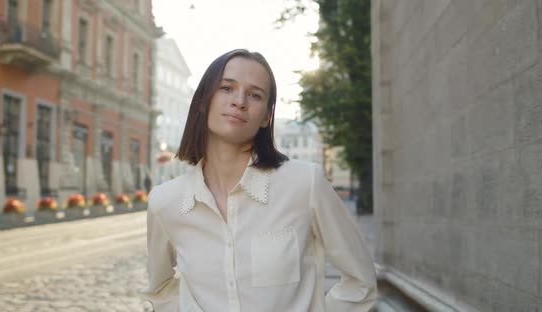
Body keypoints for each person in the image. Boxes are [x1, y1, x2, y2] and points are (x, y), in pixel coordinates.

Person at [139, 49, 376, 311]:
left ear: (266, 116)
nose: (239, 101)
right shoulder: (165, 201)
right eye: (227, 88)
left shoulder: (305, 183)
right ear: (203, 100)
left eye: (255, 95)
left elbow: (360, 283)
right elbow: (159, 289)